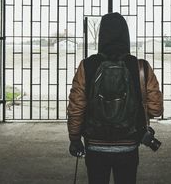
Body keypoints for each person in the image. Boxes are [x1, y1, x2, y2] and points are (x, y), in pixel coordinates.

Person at [67, 12, 163, 184]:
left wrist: (75, 139)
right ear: (125, 35)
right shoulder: (140, 67)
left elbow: (76, 107)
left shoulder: (87, 65)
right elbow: (156, 109)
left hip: (95, 143)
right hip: (129, 144)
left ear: (102, 36)